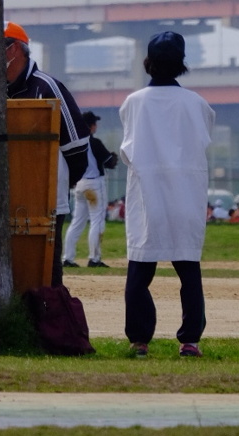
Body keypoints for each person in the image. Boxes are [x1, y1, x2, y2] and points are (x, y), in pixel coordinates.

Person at [119, 30, 214, 358]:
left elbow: (127, 150)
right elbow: (204, 140)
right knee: (189, 273)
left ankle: (139, 340)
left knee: (139, 271)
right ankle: (190, 341)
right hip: (186, 196)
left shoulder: (134, 103)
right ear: (181, 65)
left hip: (148, 197)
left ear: (148, 63)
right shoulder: (197, 104)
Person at [0, 21, 91, 287]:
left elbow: (76, 147)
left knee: (46, 272)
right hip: (3, 199)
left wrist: (60, 181)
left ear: (14, 49)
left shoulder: (47, 88)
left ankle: (51, 323)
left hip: (46, 200)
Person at [62, 111, 119, 268]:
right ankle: (94, 258)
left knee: (77, 222)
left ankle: (68, 258)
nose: (96, 126)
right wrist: (114, 157)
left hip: (79, 185)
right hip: (94, 185)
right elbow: (109, 162)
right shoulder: (94, 142)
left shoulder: (75, 142)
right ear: (91, 126)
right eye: (95, 123)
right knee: (97, 221)